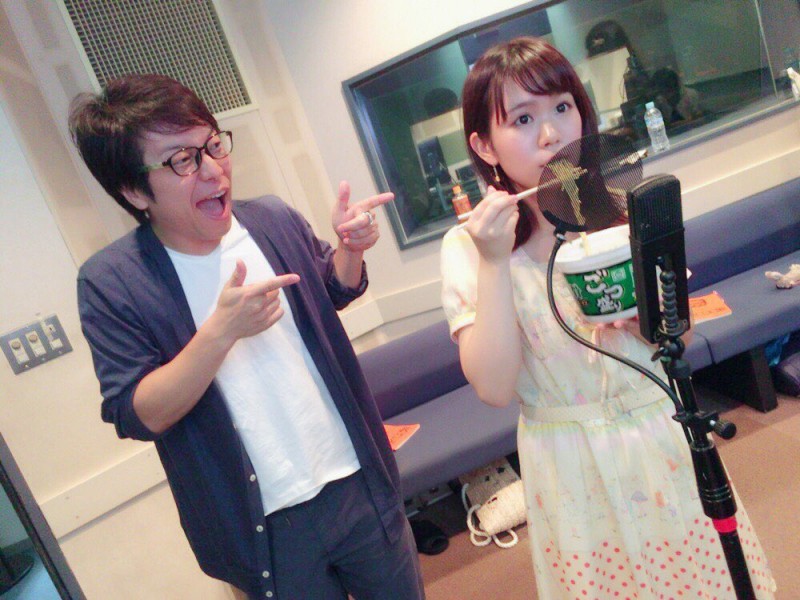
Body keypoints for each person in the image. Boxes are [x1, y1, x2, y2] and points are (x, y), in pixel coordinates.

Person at [441, 37, 776, 599]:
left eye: (562, 107)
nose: (551, 135)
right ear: (484, 145)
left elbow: (681, 333)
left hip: (660, 432)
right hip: (567, 459)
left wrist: (650, 322)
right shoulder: (469, 247)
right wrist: (494, 262)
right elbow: (495, 388)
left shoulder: (622, 210)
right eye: (522, 119)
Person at [70, 74, 424, 600]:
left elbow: (332, 290)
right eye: (182, 160)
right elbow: (137, 413)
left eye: (213, 144)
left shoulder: (271, 219)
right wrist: (220, 333)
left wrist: (351, 250)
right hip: (266, 528)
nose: (214, 170)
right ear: (133, 191)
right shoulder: (113, 281)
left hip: (357, 478)